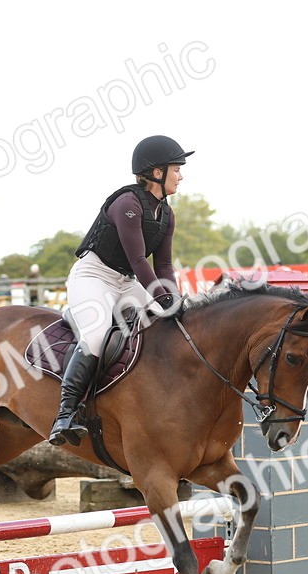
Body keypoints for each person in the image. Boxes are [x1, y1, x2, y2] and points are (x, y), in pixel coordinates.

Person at [48, 134, 192, 447]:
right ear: (157, 172)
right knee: (97, 336)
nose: (181, 176)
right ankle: (65, 414)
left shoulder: (166, 214)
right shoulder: (128, 204)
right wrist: (162, 298)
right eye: (177, 169)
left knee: (166, 325)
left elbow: (164, 265)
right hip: (93, 276)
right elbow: (138, 260)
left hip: (126, 282)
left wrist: (174, 299)